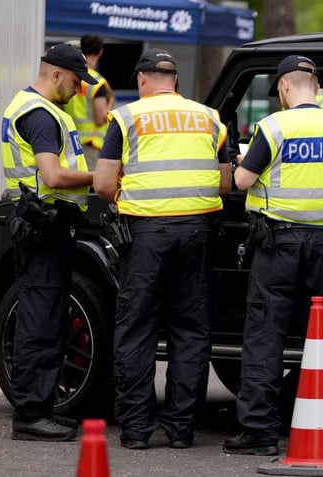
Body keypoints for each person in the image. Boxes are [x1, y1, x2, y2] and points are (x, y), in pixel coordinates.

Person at [93, 48, 232, 450]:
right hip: (197, 232)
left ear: (141, 79)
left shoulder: (127, 117)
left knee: (137, 328)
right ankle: (180, 430)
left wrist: (129, 195)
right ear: (174, 80)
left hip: (146, 235)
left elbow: (103, 185)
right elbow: (224, 182)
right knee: (190, 331)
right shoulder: (208, 118)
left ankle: (136, 431)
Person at [222, 55, 323, 456]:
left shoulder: (275, 126)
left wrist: (238, 161)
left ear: (284, 87)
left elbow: (243, 180)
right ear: (315, 87)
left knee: (266, 334)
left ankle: (259, 431)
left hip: (278, 243)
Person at [0, 43, 97, 441]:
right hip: (44, 226)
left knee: (48, 315)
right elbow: (54, 176)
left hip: (45, 224)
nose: (79, 90)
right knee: (39, 320)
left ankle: (39, 408)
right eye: (76, 82)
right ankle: (30, 415)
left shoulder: (39, 108)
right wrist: (103, 176)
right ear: (55, 74)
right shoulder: (39, 114)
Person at [64, 33, 115, 169]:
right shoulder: (98, 83)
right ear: (101, 51)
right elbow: (100, 118)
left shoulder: (72, 76)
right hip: (89, 144)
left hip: (70, 141)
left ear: (82, 49)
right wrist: (111, 102)